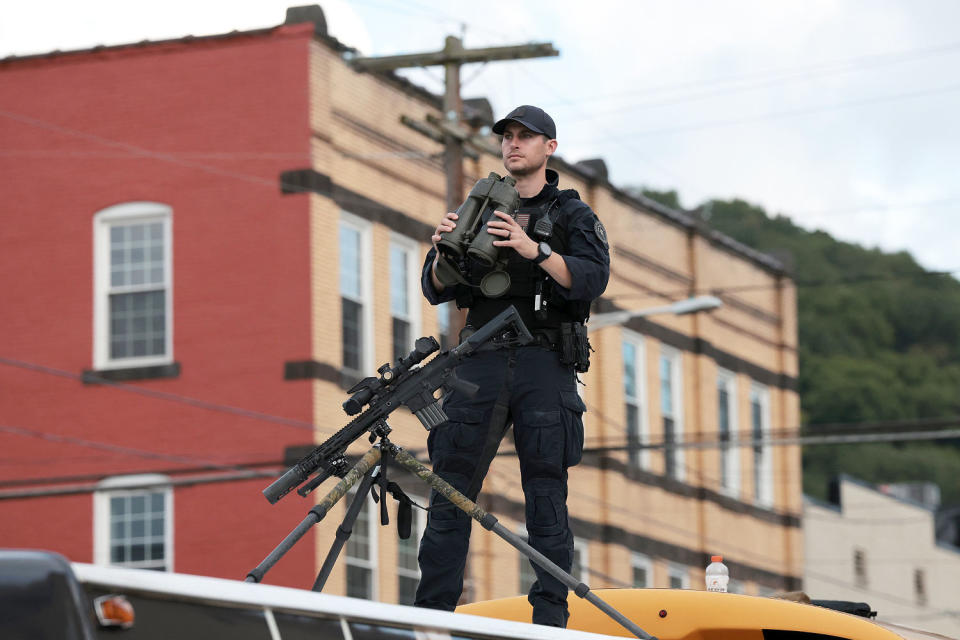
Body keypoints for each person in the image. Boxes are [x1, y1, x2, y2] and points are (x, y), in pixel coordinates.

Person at [415, 105, 610, 627]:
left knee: (546, 495)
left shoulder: (572, 215)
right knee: (449, 488)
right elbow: (436, 289)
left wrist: (534, 249)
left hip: (544, 362)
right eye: (508, 137)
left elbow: (592, 280)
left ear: (550, 147)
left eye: (527, 137)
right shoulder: (479, 205)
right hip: (478, 359)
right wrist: (440, 251)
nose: (513, 144)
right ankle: (433, 619)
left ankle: (550, 623)